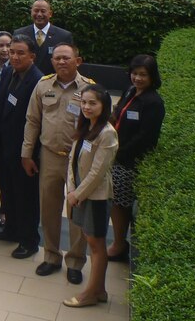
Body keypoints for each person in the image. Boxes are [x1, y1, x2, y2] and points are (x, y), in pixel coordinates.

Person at [22, 43, 94, 284]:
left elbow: (100, 125)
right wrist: (27, 153)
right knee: (49, 209)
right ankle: (51, 256)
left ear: (78, 60)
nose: (61, 62)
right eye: (56, 58)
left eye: (66, 58)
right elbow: (32, 120)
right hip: (49, 156)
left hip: (78, 159)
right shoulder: (43, 85)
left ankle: (75, 261)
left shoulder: (90, 89)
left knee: (76, 211)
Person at [62, 85, 119, 308]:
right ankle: (100, 290)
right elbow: (72, 160)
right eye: (84, 102)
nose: (86, 107)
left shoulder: (107, 133)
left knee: (96, 246)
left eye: (92, 103)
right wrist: (71, 189)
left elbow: (98, 172)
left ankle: (91, 294)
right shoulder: (86, 126)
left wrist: (78, 193)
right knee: (91, 241)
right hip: (80, 193)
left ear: (104, 106)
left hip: (95, 197)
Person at [0, 34, 43, 259]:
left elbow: (37, 122)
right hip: (6, 145)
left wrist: (28, 153)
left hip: (25, 149)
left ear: (32, 55)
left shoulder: (38, 81)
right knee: (8, 191)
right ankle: (10, 229)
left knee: (25, 196)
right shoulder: (9, 72)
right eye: (12, 52)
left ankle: (29, 240)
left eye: (21, 53)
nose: (15, 56)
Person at [107, 54, 164, 263]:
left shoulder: (153, 102)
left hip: (128, 162)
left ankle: (119, 245)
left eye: (143, 75)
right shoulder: (131, 91)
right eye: (135, 73)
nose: (138, 78)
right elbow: (117, 114)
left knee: (121, 204)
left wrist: (119, 153)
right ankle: (119, 241)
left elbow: (146, 137)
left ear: (152, 77)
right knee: (115, 201)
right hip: (116, 155)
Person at [15, 0, 75, 75]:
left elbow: (69, 63)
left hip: (53, 83)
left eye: (43, 11)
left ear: (50, 14)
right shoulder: (20, 33)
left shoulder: (63, 36)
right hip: (25, 82)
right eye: (36, 11)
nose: (39, 14)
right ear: (31, 12)